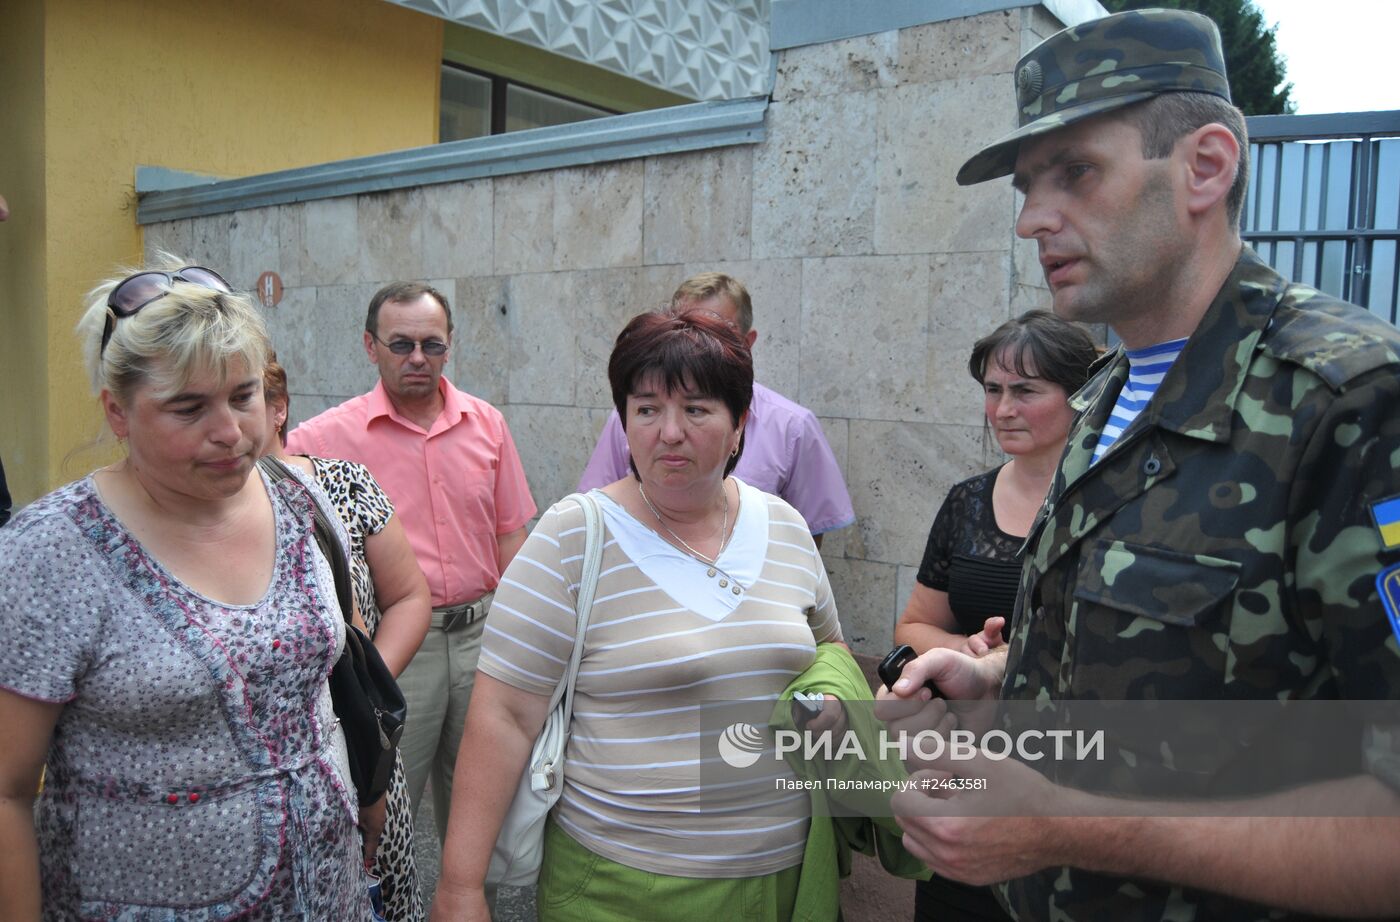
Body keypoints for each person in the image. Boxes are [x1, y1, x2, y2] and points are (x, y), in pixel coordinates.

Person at [885, 9, 1400, 921]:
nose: (1031, 220)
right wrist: (1000, 679)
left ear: (1205, 165)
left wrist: (1066, 822)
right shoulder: (1109, 389)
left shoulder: (1353, 402)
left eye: (1076, 172)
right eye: (1028, 185)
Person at [430, 309, 846, 922]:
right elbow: (504, 716)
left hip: (784, 879)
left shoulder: (784, 525)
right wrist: (460, 887)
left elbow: (829, 651)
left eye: (696, 409)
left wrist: (834, 701)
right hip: (620, 887)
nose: (668, 432)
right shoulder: (574, 534)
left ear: (740, 427)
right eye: (646, 409)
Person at [0, 262, 375, 919]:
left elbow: (330, 678)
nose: (230, 432)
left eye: (243, 395)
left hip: (326, 896)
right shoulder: (50, 552)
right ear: (117, 411)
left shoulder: (295, 499)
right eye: (189, 407)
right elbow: (4, 789)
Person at [286, 281, 537, 843]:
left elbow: (511, 541)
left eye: (432, 345)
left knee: (483, 819)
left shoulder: (487, 425)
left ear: (450, 346)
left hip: (483, 639)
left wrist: (524, 636)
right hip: (396, 647)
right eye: (401, 345)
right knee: (385, 806)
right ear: (369, 346)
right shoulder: (323, 438)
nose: (418, 358)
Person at [894, 311, 1096, 922]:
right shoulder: (966, 501)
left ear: (1080, 396)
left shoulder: (1109, 505)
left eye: (1026, 390)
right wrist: (967, 651)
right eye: (992, 390)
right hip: (970, 760)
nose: (1003, 408)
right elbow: (913, 625)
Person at [263, 357, 430, 922]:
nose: (222, 424)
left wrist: (360, 689)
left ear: (279, 407)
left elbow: (409, 596)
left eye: (241, 398)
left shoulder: (342, 484)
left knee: (378, 894)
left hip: (356, 749)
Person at [578, 272, 854, 547]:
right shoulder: (626, 418)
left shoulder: (792, 426)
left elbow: (808, 536)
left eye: (716, 334)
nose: (671, 434)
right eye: (686, 331)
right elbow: (596, 508)